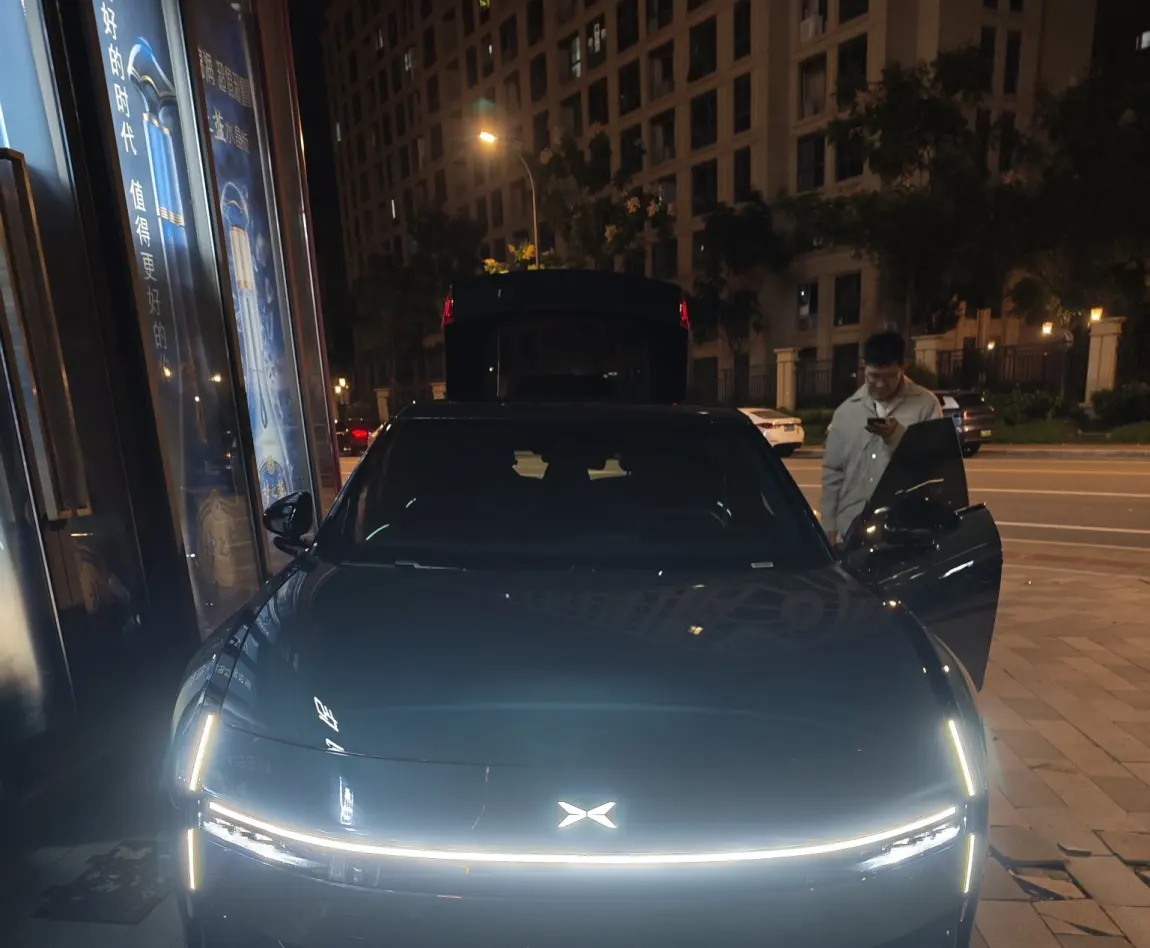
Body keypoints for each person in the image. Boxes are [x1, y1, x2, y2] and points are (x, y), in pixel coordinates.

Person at [821, 331, 942, 546]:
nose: (879, 384)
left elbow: (934, 465)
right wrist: (829, 526)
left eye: (888, 377)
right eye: (873, 376)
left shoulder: (926, 405)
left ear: (903, 367)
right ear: (863, 366)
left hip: (903, 529)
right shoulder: (846, 412)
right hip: (852, 528)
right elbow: (833, 473)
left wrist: (897, 436)